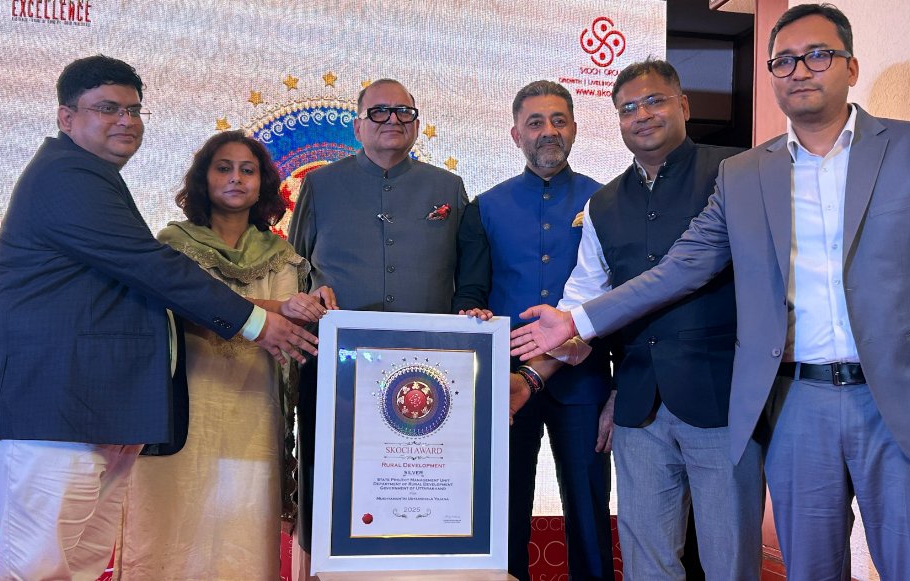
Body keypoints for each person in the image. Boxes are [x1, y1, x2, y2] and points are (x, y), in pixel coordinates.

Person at [510, 4, 910, 579]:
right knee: (808, 569)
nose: (800, 70)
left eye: (818, 55)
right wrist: (574, 323)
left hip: (895, 400)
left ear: (851, 66)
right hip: (794, 402)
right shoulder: (747, 174)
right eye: (784, 61)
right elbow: (682, 267)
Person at [0, 56, 318, 581]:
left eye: (133, 110)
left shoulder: (96, 178)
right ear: (66, 117)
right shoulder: (66, 175)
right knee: (36, 568)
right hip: (48, 408)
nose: (126, 121)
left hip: (94, 411)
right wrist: (259, 324)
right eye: (108, 108)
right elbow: (151, 268)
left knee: (79, 566)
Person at [552, 59, 762, 579]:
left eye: (654, 101)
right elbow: (584, 296)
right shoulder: (602, 203)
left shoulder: (736, 171)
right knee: (647, 563)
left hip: (724, 401)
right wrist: (542, 356)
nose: (641, 115)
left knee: (730, 561)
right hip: (638, 408)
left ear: (683, 105)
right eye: (628, 108)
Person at [117, 131, 336, 580]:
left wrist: (316, 305)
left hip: (254, 408)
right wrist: (278, 309)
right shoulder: (174, 244)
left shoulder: (283, 257)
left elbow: (292, 330)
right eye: (224, 168)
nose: (236, 178)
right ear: (204, 178)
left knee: (242, 530)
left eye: (247, 170)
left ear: (263, 184)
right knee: (172, 524)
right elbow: (181, 312)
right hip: (184, 406)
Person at [287, 78, 471, 577]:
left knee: (420, 484)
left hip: (426, 372)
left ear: (417, 123)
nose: (393, 120)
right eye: (379, 111)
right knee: (329, 479)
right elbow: (294, 267)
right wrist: (307, 298)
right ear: (357, 125)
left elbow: (468, 274)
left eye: (404, 112)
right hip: (336, 366)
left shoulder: (447, 188)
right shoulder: (321, 185)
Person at [452, 80, 615, 581]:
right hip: (506, 383)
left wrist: (621, 390)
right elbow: (471, 291)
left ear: (575, 129)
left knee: (590, 512)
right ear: (515, 134)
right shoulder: (485, 206)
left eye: (558, 120)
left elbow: (624, 299)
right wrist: (470, 315)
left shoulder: (607, 201)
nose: (549, 131)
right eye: (536, 122)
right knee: (504, 511)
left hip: (585, 383)